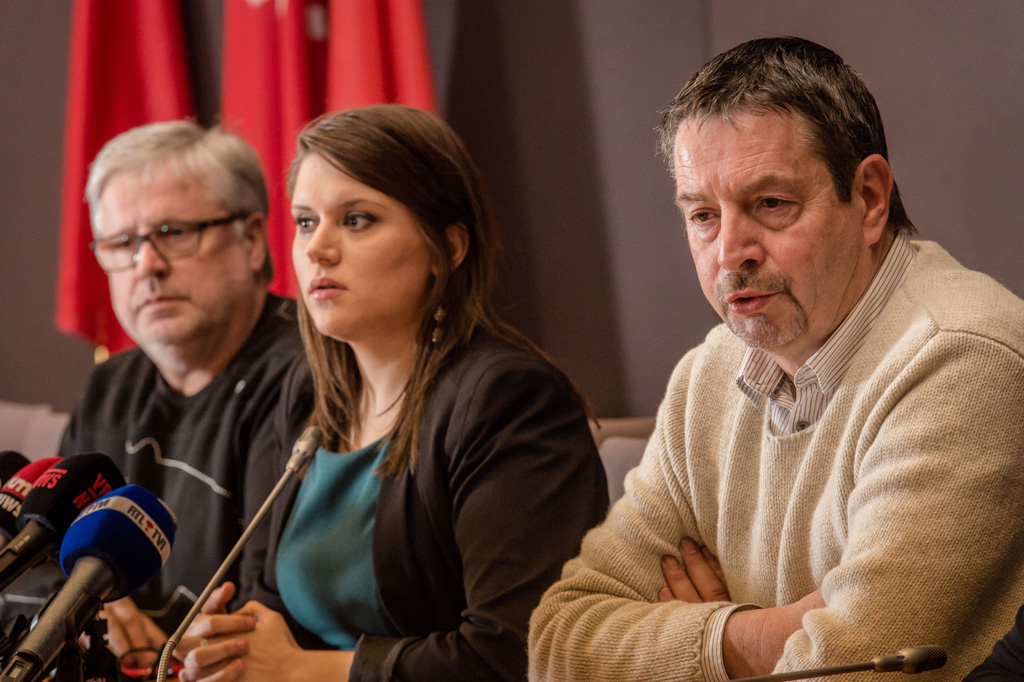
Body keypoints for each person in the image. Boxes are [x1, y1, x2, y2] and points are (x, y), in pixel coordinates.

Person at [528, 36, 1024, 682]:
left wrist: (681, 648)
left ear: (870, 198)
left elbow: (853, 671)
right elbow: (556, 642)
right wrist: (754, 633)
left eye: (769, 204)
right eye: (703, 214)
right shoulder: (708, 375)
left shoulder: (961, 362)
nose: (730, 253)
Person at [172, 104, 608, 682]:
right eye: (305, 221)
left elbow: (517, 654)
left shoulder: (509, 399)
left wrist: (303, 671)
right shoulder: (309, 393)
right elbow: (268, 598)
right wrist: (233, 644)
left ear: (446, 249)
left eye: (356, 220)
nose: (317, 249)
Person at [0, 121, 309, 656]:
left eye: (174, 233)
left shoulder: (306, 376)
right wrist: (89, 598)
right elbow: (46, 562)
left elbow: (272, 615)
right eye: (122, 242)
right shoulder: (109, 386)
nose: (147, 264)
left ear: (253, 239)